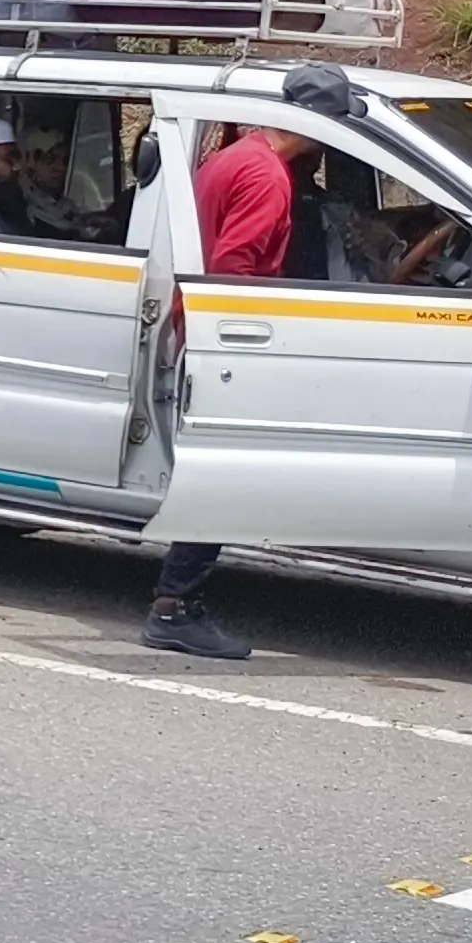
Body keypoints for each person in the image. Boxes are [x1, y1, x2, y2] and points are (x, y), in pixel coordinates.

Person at [141, 89, 335, 660]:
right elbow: (233, 270)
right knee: (224, 477)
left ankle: (177, 601)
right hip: (224, 341)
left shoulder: (237, 156)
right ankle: (174, 606)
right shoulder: (268, 179)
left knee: (223, 473)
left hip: (200, 331)